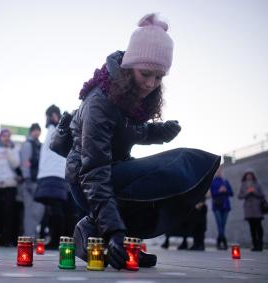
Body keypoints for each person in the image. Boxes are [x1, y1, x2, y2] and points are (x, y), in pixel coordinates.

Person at [54, 14, 220, 269]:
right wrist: (114, 231)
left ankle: (124, 245)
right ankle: (93, 230)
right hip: (86, 179)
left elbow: (133, 132)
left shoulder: (129, 98)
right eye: (145, 73)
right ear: (128, 67)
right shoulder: (100, 102)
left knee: (162, 185)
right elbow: (93, 170)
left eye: (159, 77)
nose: (151, 84)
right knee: (182, 163)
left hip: (111, 172)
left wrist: (160, 132)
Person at [35, 106, 71, 248]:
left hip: (53, 173)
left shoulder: (57, 130)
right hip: (53, 173)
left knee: (56, 208)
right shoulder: (58, 130)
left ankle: (56, 239)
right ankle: (55, 238)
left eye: (48, 116)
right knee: (53, 208)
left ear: (54, 116)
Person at [20, 123, 44, 238]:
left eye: (38, 130)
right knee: (29, 211)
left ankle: (31, 235)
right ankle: (29, 236)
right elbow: (25, 163)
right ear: (31, 132)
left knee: (37, 211)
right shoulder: (28, 145)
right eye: (35, 130)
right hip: (30, 182)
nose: (37, 132)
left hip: (38, 182)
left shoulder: (39, 145)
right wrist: (27, 178)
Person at [238, 170, 265, 251]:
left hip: (257, 209)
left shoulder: (257, 184)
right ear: (245, 176)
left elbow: (262, 195)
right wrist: (247, 192)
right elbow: (239, 196)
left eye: (250, 175)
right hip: (248, 210)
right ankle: (254, 244)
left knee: (259, 226)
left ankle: (260, 244)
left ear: (253, 176)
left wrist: (254, 191)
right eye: (247, 175)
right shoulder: (243, 185)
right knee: (252, 227)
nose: (249, 176)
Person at [210, 167, 233, 250]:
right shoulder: (213, 182)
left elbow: (231, 193)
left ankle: (219, 242)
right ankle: (224, 241)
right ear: (215, 172)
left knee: (223, 225)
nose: (219, 172)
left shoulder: (225, 182)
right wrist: (219, 191)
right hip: (216, 206)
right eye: (217, 171)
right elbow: (211, 194)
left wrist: (225, 190)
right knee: (219, 224)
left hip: (225, 206)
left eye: (220, 171)